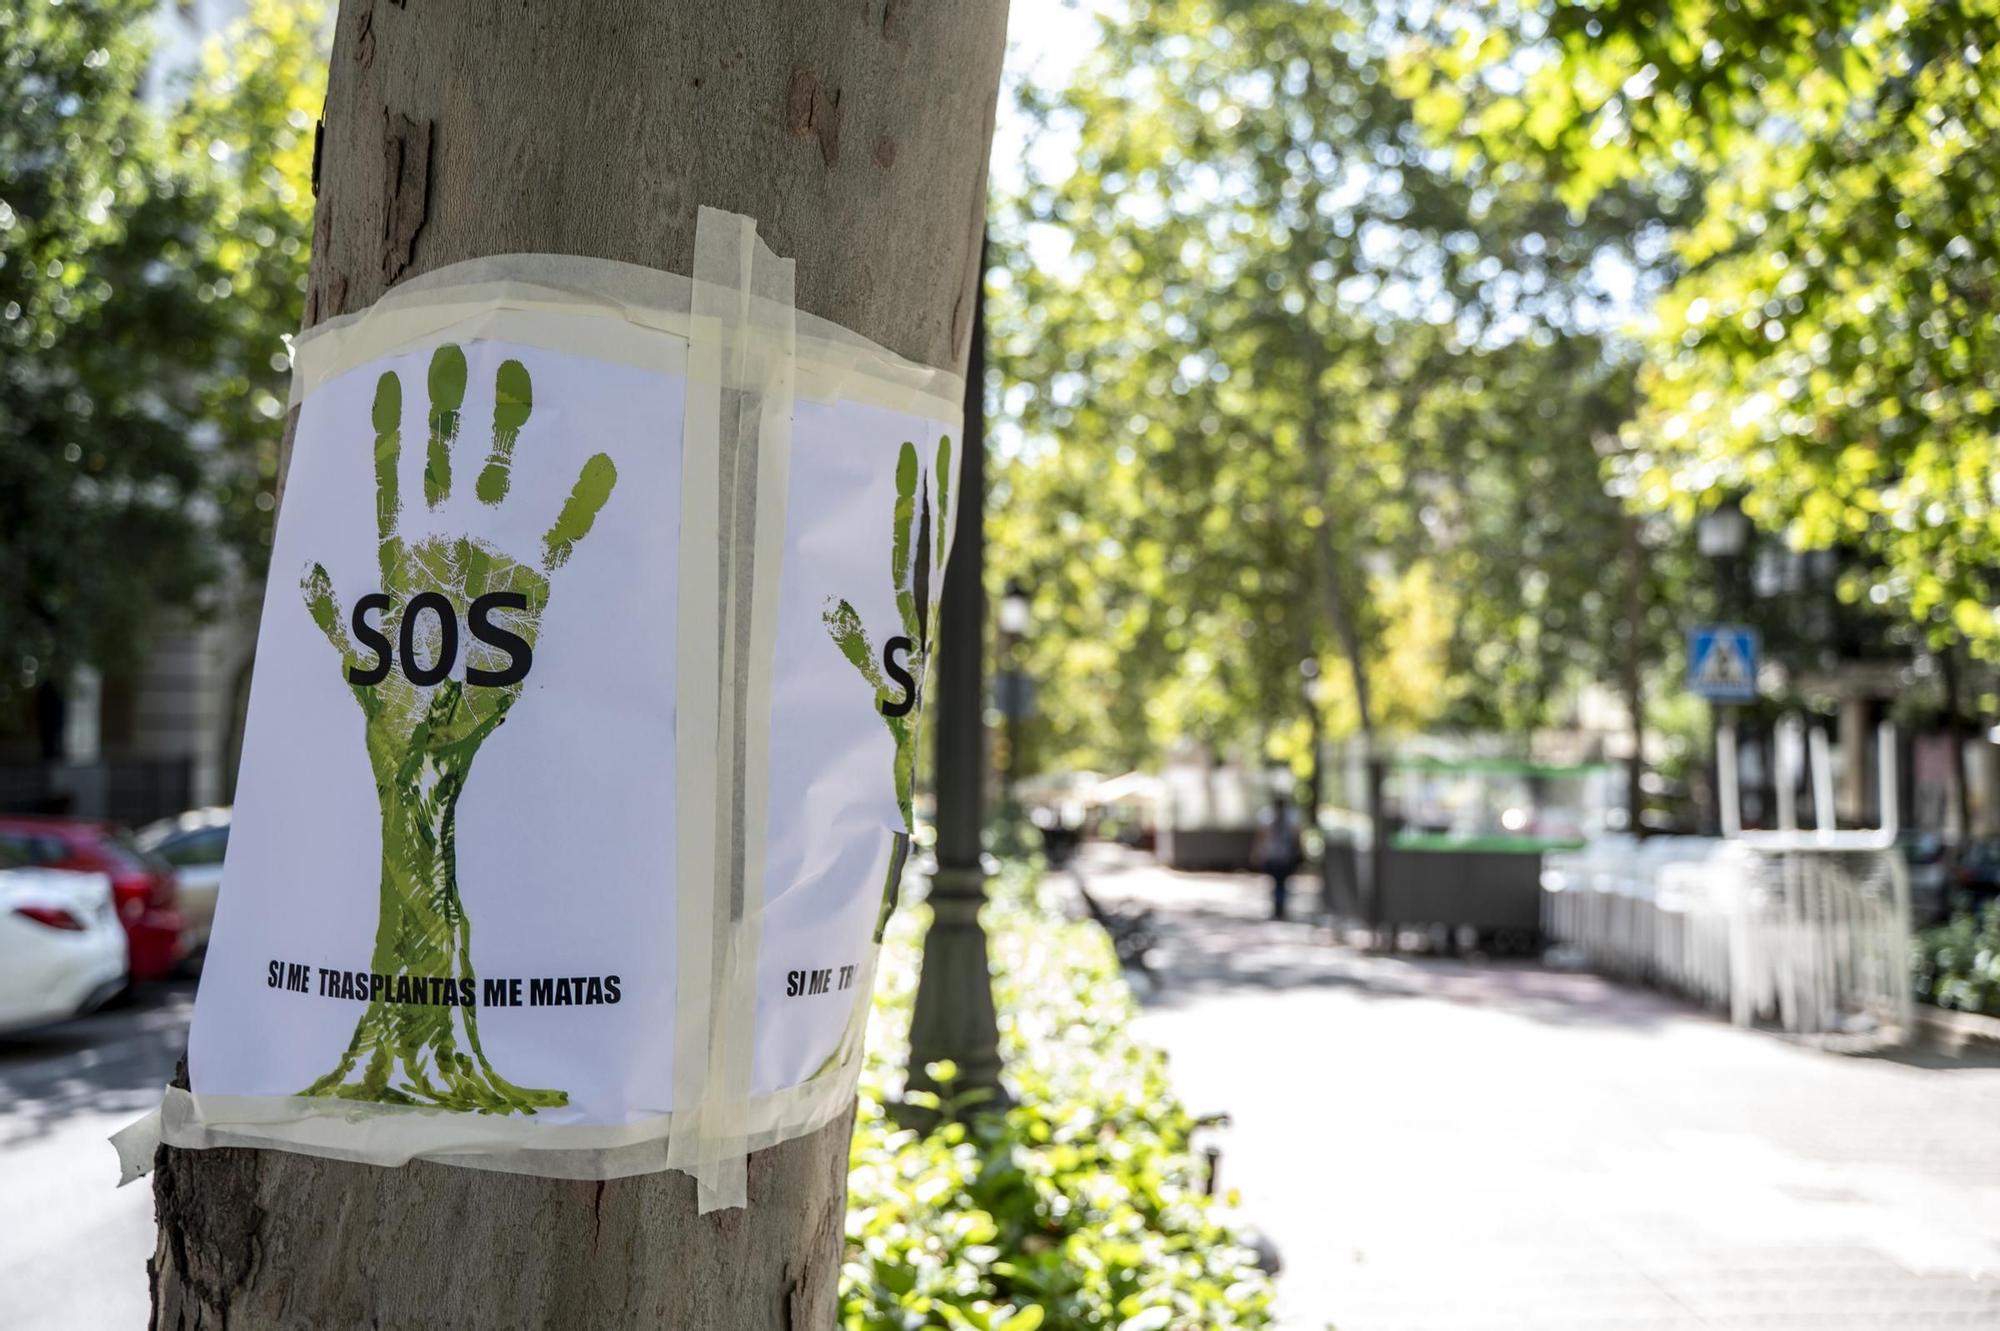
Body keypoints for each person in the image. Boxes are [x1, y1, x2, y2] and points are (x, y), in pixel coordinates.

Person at [1252, 794, 1305, 921]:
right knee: (1281, 883)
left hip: (1275, 855)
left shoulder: (1268, 816)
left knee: (1278, 883)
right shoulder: (1290, 816)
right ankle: (1280, 906)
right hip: (1284, 856)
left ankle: (1278, 907)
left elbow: (1261, 837)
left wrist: (1258, 852)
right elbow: (1297, 836)